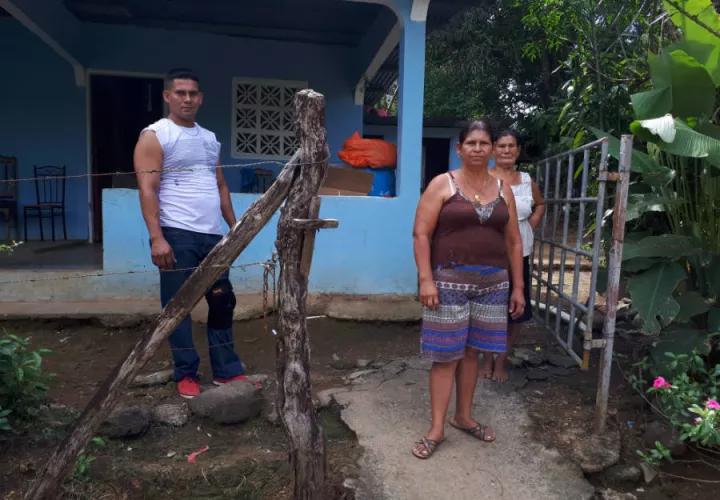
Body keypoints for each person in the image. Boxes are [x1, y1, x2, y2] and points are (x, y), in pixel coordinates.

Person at [133, 68, 255, 399]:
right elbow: (147, 188)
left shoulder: (209, 138)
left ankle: (227, 371)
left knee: (222, 302)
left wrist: (235, 228)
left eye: (193, 93)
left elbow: (219, 185)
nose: (187, 99)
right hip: (176, 233)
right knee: (178, 307)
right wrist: (157, 237)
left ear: (200, 98)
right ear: (167, 96)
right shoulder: (155, 135)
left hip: (213, 236)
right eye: (180, 93)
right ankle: (185, 373)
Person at [411, 120, 525, 459]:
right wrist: (425, 279)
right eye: (471, 143)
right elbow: (421, 234)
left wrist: (518, 287)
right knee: (446, 356)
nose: (478, 148)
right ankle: (436, 427)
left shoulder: (504, 188)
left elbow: (514, 241)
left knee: (473, 352)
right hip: (448, 283)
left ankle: (463, 416)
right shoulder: (442, 184)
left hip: (493, 284)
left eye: (484, 142)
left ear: (492, 149)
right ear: (459, 149)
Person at [488, 129, 546, 382]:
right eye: (501, 146)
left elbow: (540, 203)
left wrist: (530, 223)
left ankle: (501, 361)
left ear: (518, 151)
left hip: (520, 250)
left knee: (515, 309)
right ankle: (485, 359)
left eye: (512, 146)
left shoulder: (526, 179)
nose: (507, 150)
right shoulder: (484, 178)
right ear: (493, 150)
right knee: (487, 307)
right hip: (489, 251)